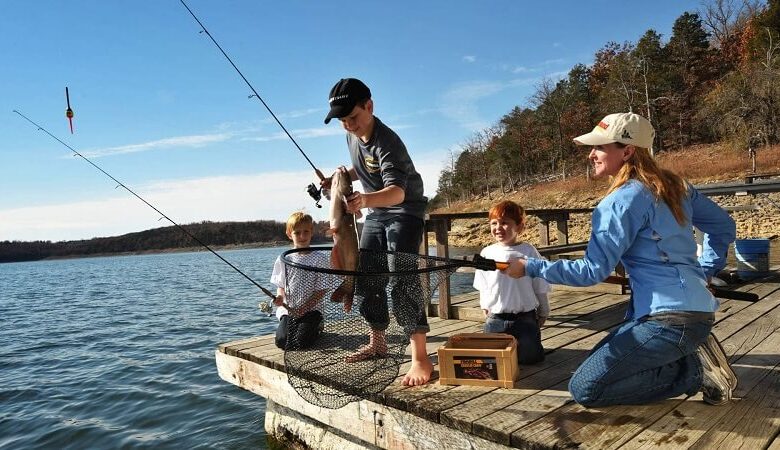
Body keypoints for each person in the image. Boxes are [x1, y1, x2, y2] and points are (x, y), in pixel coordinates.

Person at [503, 112, 738, 407]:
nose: (591, 154)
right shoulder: (678, 186)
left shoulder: (619, 201)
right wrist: (706, 270)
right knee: (598, 363)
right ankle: (688, 351)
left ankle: (694, 372)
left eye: (599, 147)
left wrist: (530, 267)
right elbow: (723, 226)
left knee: (586, 388)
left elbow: (591, 271)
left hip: (669, 322)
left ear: (627, 151)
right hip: (698, 314)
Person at [323, 77, 431, 386]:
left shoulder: (388, 142)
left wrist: (364, 200)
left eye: (353, 117)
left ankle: (420, 358)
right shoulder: (352, 135)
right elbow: (365, 167)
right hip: (376, 212)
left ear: (369, 106)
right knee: (367, 275)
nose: (348, 125)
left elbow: (397, 192)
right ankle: (378, 342)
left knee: (403, 277)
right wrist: (339, 181)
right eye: (342, 121)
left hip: (405, 211)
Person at [473, 200, 550, 364]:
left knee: (531, 359)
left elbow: (539, 284)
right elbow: (482, 284)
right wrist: (484, 305)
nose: (498, 228)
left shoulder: (529, 251)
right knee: (492, 361)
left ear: (519, 227)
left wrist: (544, 309)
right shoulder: (487, 253)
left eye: (504, 223)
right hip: (496, 317)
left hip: (525, 317)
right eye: (494, 223)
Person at [270, 211, 327, 350]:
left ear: (311, 232)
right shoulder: (284, 258)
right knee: (282, 341)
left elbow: (322, 290)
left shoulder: (320, 258)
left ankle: (318, 326)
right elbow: (281, 286)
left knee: (302, 341)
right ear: (289, 234)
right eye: (297, 233)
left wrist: (304, 309)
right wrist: (279, 297)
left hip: (312, 310)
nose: (302, 236)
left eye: (306, 232)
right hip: (289, 309)